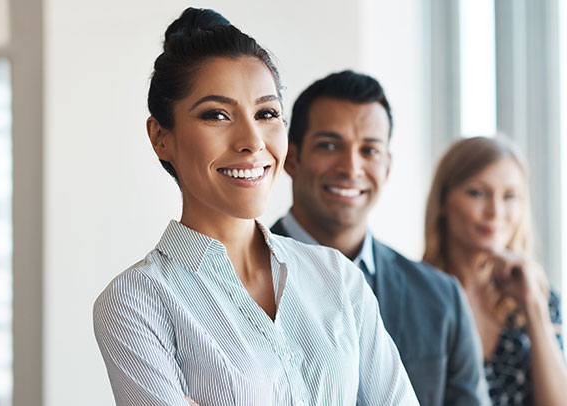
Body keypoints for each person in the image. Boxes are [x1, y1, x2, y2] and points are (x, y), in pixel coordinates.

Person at [93, 8, 418, 406]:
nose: (252, 140)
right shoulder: (135, 302)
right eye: (217, 115)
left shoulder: (338, 279)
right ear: (161, 136)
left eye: (267, 113)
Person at [271, 70, 489, 406]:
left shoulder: (440, 298)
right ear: (291, 157)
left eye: (369, 150)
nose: (351, 167)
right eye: (329, 146)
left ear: (387, 166)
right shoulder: (234, 278)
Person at [423, 135, 567, 406]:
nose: (495, 211)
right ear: (443, 201)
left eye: (510, 196)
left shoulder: (539, 299)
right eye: (477, 192)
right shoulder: (412, 293)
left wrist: (533, 307)